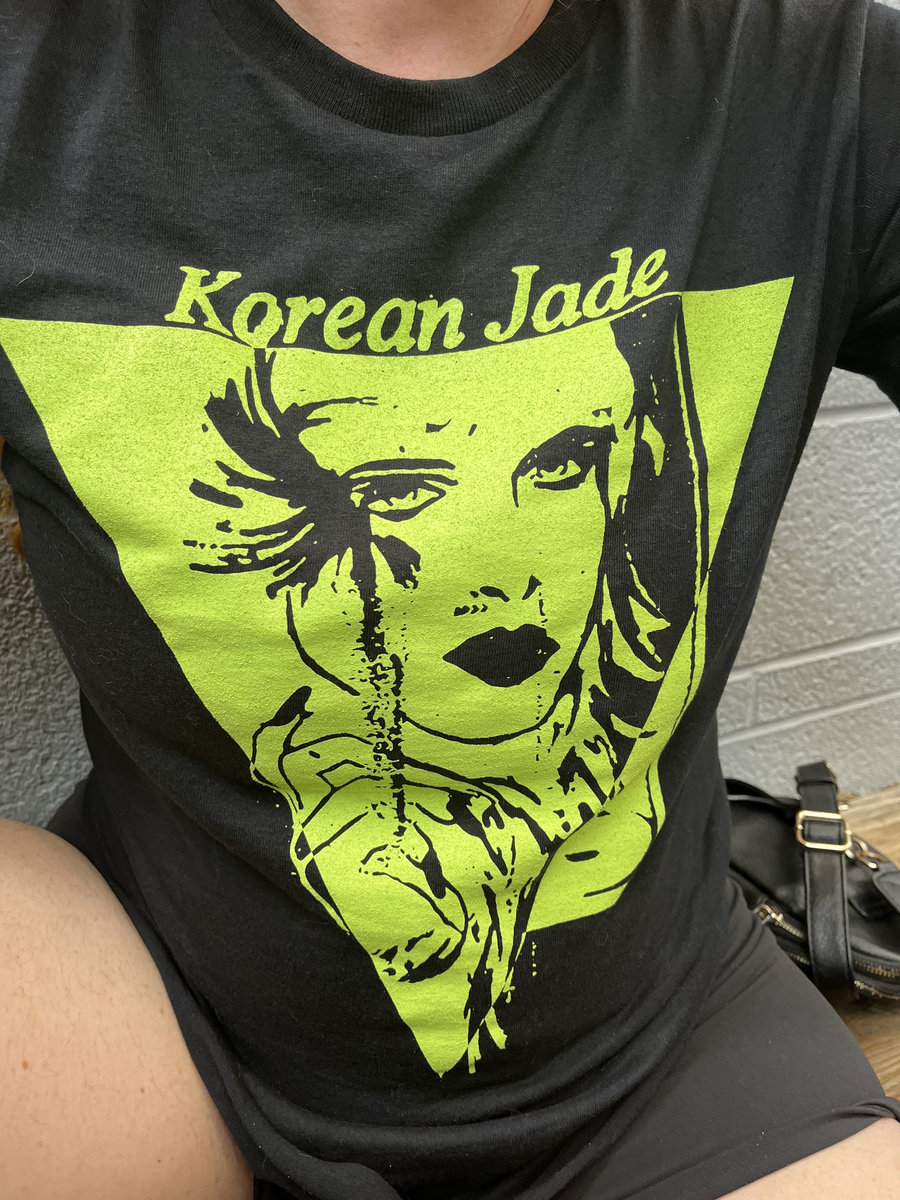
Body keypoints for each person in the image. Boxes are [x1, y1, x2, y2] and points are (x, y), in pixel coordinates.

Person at [0, 1, 899, 1197]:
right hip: (157, 1031)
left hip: (666, 1057)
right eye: (395, 492)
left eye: (564, 466)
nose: (506, 578)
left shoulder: (812, 72)